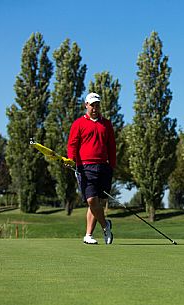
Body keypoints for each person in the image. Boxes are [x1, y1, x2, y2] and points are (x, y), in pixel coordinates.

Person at [68, 92, 116, 245]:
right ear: (86, 105)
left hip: (104, 167)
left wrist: (112, 166)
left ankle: (88, 235)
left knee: (99, 202)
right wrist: (71, 159)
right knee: (91, 200)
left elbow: (111, 146)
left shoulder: (106, 124)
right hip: (85, 167)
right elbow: (72, 144)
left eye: (97, 105)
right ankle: (105, 225)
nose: (95, 108)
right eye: (92, 105)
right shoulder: (78, 123)